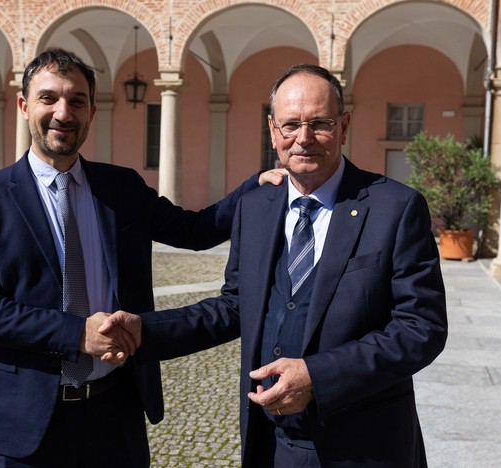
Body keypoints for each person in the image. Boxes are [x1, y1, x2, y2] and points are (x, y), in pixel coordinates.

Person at [0, 48, 283, 466]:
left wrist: (255, 186)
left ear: (91, 112)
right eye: (48, 98)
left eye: (77, 100)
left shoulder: (120, 187)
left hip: (115, 412)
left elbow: (194, 231)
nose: (63, 113)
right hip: (25, 420)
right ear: (23, 105)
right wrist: (76, 334)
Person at [106, 64, 448, 466]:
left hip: (363, 446)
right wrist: (144, 331)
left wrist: (318, 377)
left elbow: (421, 328)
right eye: (290, 125)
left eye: (319, 123)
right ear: (272, 131)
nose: (303, 138)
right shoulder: (256, 207)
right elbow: (235, 305)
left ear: (344, 125)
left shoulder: (395, 207)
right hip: (271, 445)